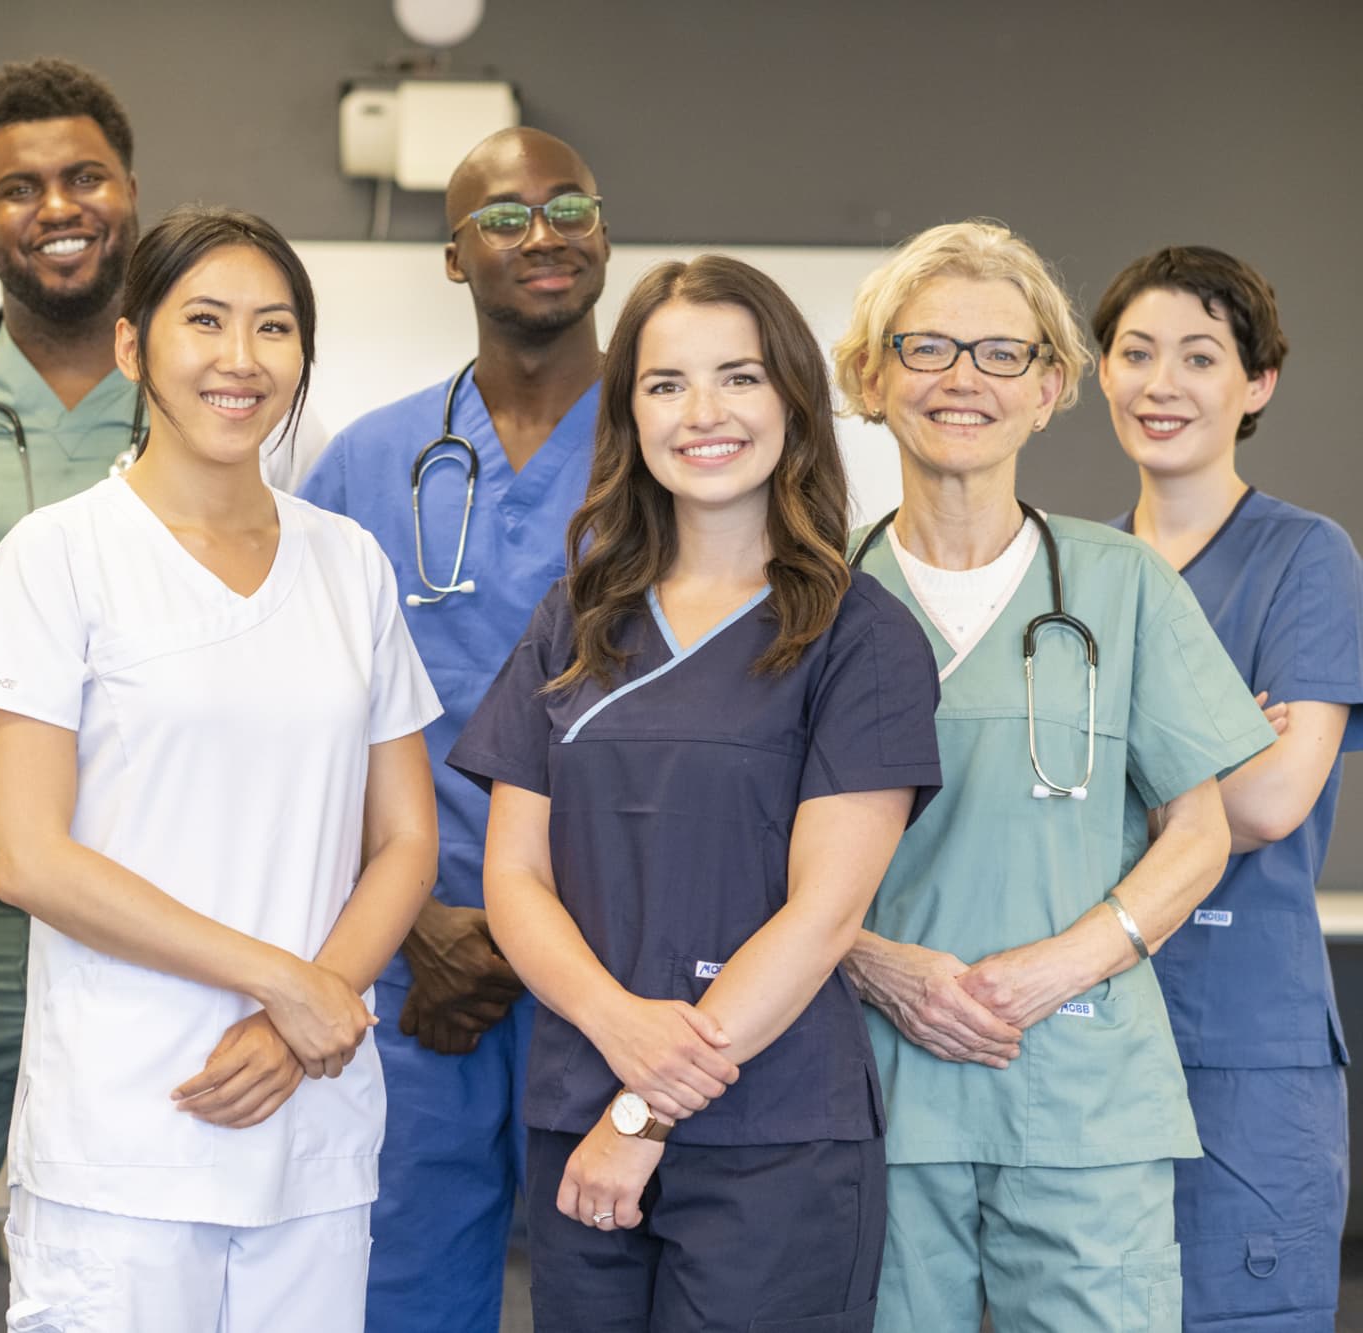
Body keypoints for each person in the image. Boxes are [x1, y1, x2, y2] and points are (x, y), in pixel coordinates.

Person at [0, 59, 327, 1319]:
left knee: (153, 1240)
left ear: (128, 190)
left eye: (83, 176)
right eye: (19, 187)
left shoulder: (246, 400)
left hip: (169, 907)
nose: (55, 206)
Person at [0, 206, 441, 1333]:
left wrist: (301, 1010)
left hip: (308, 1115)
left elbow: (406, 840)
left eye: (272, 327)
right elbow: (27, 857)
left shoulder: (345, 564)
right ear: (132, 347)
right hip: (127, 1128)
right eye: (204, 321)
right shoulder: (59, 556)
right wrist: (284, 979)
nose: (240, 358)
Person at [447, 254, 941, 1331]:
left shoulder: (858, 637)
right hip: (580, 1115)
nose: (701, 412)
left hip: (773, 1138)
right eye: (664, 383)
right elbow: (515, 876)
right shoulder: (571, 622)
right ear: (628, 412)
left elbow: (822, 918)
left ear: (792, 401)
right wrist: (612, 1027)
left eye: (739, 377)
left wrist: (642, 1107)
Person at [833, 221, 1274, 1331]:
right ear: (870, 374)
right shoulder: (813, 594)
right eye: (925, 347)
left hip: (1077, 1088)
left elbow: (1200, 830)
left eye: (1001, 353)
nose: (962, 380)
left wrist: (1052, 971)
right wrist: (877, 964)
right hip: (871, 1092)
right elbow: (744, 842)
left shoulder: (1120, 584)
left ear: (1048, 387)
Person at [297, 125, 605, 1332]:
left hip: (609, 957)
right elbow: (304, 723)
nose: (545, 234)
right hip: (410, 955)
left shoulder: (680, 448)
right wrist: (412, 914)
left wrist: (547, 937)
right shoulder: (367, 464)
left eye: (570, 205)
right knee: (402, 1286)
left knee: (605, 1278)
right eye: (505, 215)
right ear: (449, 257)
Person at [1097, 245, 1362, 1328]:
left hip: (1245, 1048)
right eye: (1135, 352)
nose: (1161, 384)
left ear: (1255, 384)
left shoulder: (1306, 559)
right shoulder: (1080, 571)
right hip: (1093, 1031)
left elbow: (1266, 804)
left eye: (1198, 356)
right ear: (1097, 374)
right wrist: (1218, 743)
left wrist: (1108, 757)